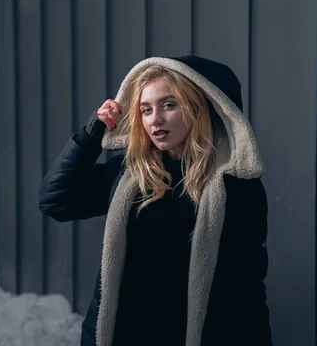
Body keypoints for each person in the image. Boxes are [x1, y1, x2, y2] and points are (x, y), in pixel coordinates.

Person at [39, 55, 272, 346]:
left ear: (199, 108)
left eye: (169, 105)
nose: (155, 119)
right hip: (126, 333)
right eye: (146, 109)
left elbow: (246, 285)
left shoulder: (234, 185)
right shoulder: (131, 172)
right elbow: (56, 200)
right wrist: (90, 136)